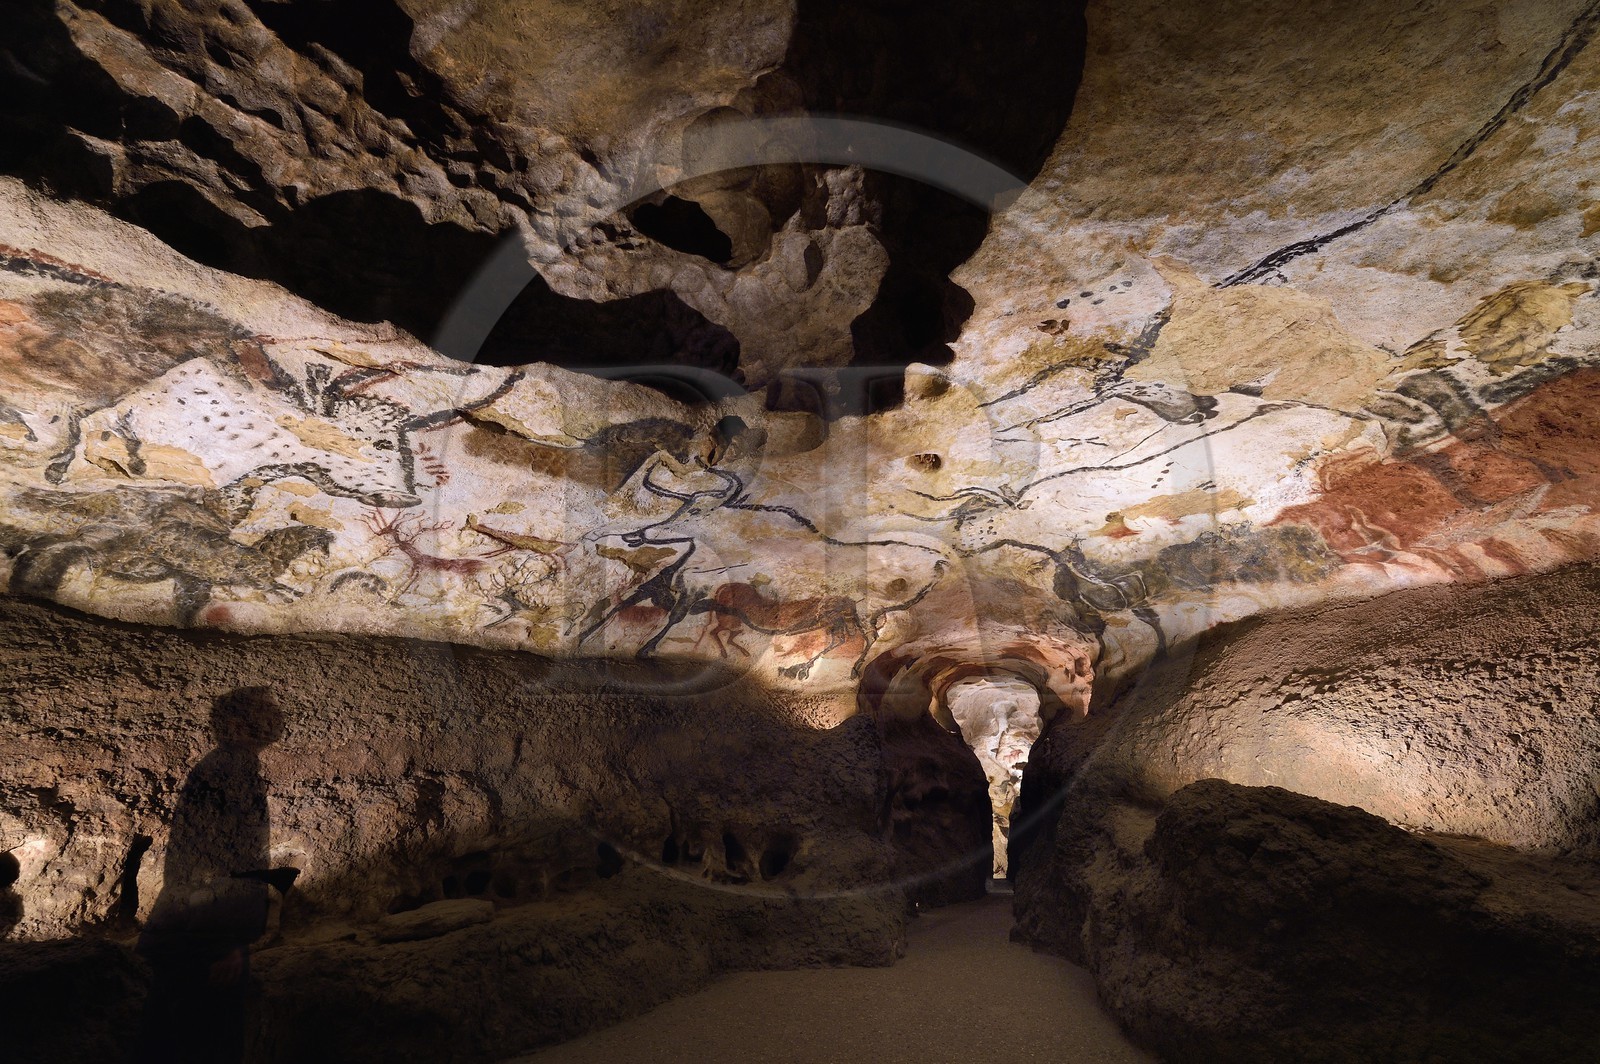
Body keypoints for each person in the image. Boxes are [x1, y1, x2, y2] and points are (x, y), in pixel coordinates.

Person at [135, 686, 285, 1063]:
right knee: (205, 1042)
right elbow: (213, 857)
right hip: (202, 940)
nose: (277, 719)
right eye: (265, 712)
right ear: (237, 724)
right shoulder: (231, 769)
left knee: (169, 1039)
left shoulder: (228, 766)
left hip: (191, 932)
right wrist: (224, 943)